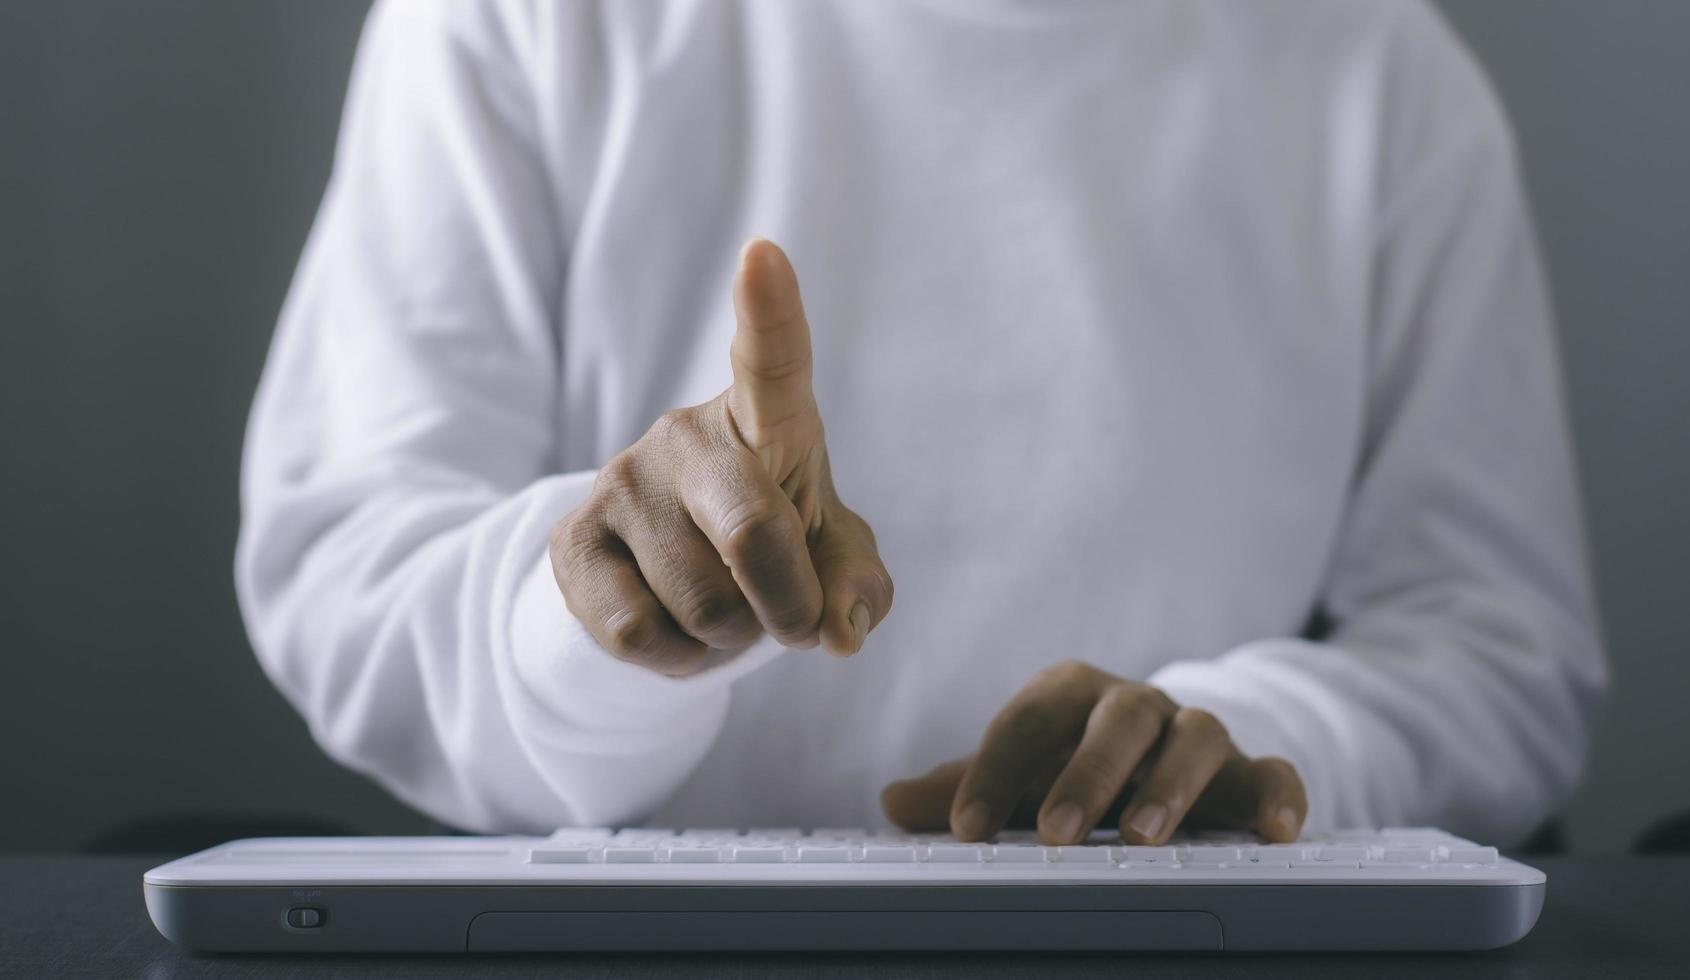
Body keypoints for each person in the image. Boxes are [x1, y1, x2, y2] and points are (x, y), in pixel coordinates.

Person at [238, 0, 1607, 846]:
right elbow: (344, 553)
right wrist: (587, 621)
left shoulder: (1379, 72)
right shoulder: (516, 19)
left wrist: (1236, 740)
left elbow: (1501, 645)